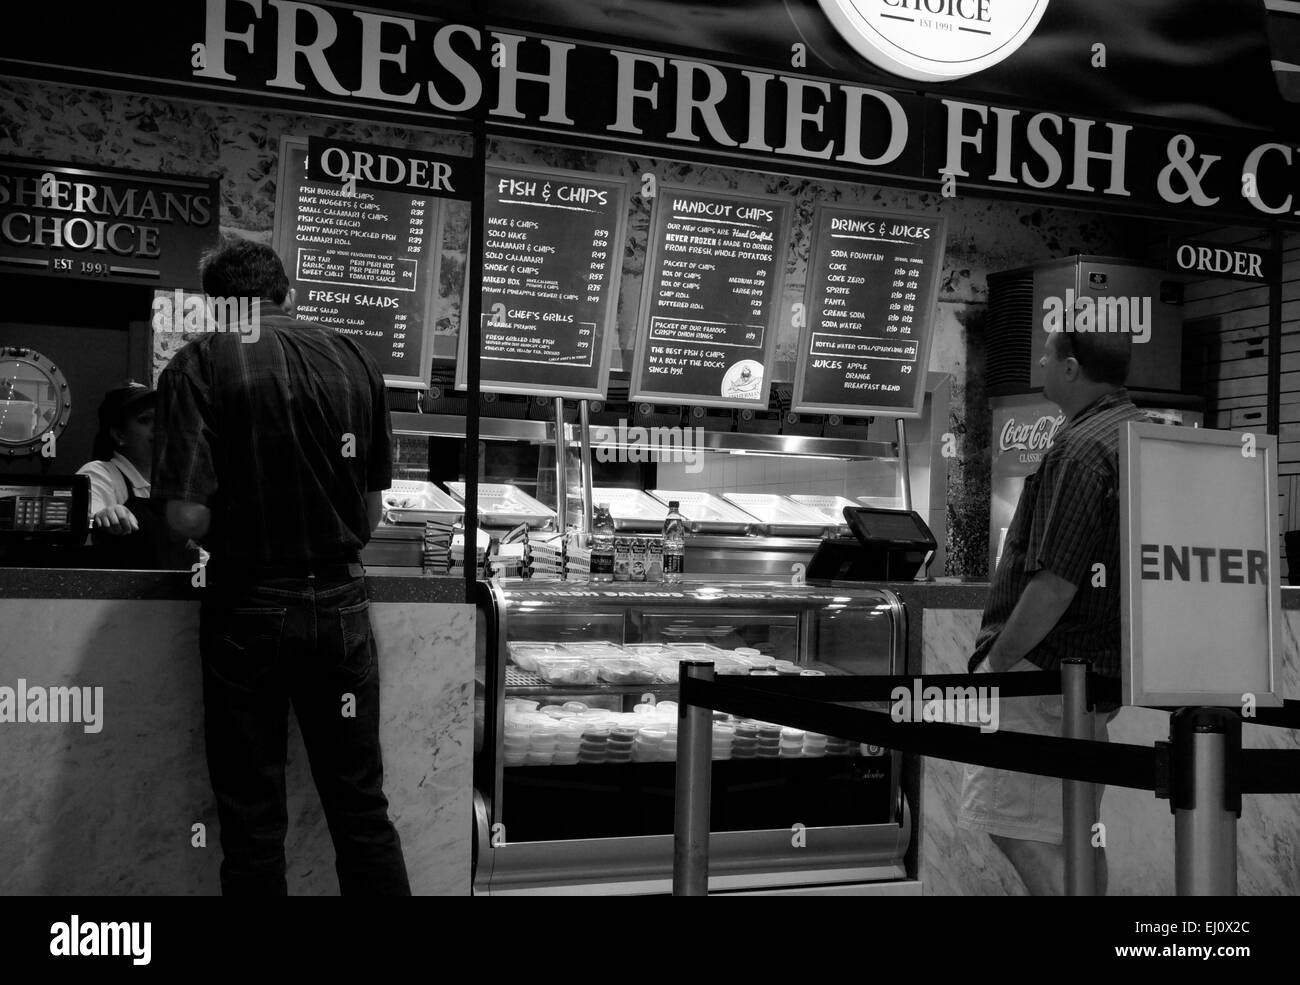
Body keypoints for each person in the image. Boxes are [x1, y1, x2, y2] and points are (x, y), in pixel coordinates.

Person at [152, 239, 409, 895]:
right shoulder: (353, 356)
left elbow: (185, 516)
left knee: (252, 816)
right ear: (286, 291)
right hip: (343, 607)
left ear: (215, 305)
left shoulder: (198, 363)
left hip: (247, 607)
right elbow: (374, 510)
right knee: (361, 805)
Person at [957, 325, 1143, 896]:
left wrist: (1000, 663)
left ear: (1069, 369)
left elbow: (1056, 582)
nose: (1038, 361)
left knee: (1015, 825)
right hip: (1095, 676)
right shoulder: (1137, 434)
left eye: (1046, 355)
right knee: (1076, 831)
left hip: (1046, 675)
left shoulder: (1082, 448)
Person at [76, 383, 197, 570]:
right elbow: (84, 519)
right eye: (145, 419)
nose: (158, 428)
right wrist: (106, 514)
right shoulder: (101, 473)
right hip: (122, 598)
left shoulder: (174, 484)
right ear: (119, 435)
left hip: (179, 597)